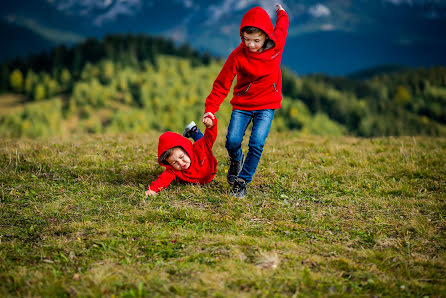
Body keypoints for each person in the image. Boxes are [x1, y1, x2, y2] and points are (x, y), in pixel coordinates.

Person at [202, 4, 289, 198]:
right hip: (243, 105)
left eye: (256, 40)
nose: (251, 45)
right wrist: (210, 110)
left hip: (267, 105)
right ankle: (236, 160)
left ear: (266, 36)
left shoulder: (276, 46)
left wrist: (281, 12)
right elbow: (221, 84)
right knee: (232, 141)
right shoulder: (237, 56)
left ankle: (242, 181)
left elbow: (283, 26)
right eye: (246, 39)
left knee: (257, 142)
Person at [145, 115, 217, 196]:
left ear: (187, 150)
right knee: (200, 143)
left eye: (181, 157)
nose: (180, 163)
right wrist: (153, 190)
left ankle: (194, 130)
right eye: (174, 162)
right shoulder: (173, 170)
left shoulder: (200, 150)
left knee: (201, 141)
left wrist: (211, 125)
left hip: (206, 160)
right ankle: (193, 131)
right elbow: (163, 179)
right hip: (200, 174)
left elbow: (209, 137)